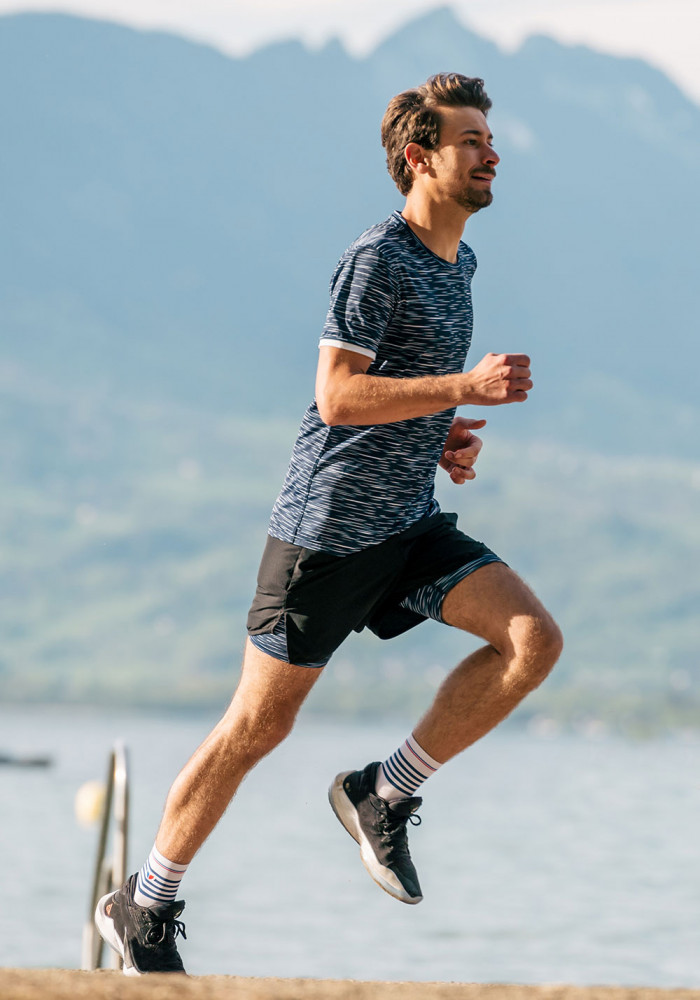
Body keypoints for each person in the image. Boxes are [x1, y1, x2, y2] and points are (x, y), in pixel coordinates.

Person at [95, 71, 563, 976]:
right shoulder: (377, 259)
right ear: (420, 158)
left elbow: (392, 393)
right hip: (325, 538)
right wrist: (463, 388)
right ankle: (143, 902)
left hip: (410, 528)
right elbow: (337, 396)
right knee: (256, 730)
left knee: (531, 642)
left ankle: (383, 793)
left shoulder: (459, 262)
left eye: (488, 139)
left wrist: (440, 433)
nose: (491, 152)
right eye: (472, 140)